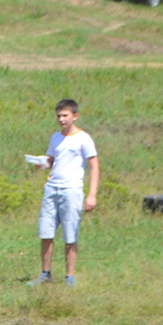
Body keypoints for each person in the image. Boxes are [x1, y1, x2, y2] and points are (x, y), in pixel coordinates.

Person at [28, 99, 99, 288]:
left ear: (74, 116)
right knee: (46, 231)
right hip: (52, 188)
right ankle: (45, 273)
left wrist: (91, 194)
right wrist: (42, 163)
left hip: (71, 189)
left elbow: (94, 165)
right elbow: (52, 160)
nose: (61, 119)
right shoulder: (55, 138)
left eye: (65, 115)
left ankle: (69, 276)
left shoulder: (83, 138)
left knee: (70, 234)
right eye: (59, 116)